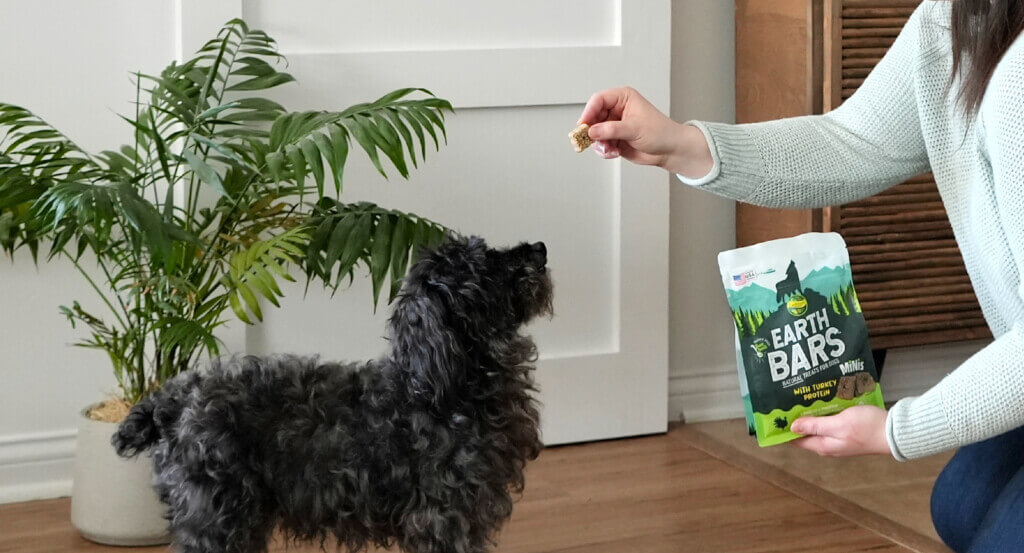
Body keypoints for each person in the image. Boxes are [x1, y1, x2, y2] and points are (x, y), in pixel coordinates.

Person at [577, 2, 1024, 551]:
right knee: (961, 506)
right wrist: (680, 144)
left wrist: (896, 430)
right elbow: (857, 142)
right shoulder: (958, 18)